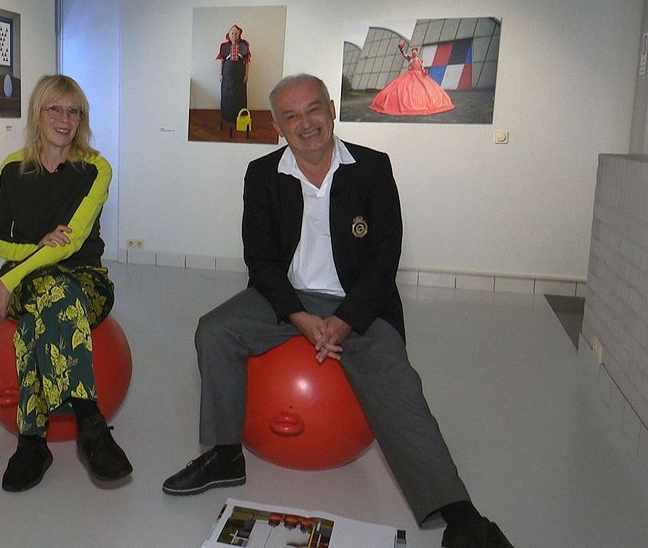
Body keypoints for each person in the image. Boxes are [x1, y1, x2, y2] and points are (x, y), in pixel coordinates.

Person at [162, 74, 513, 548]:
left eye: (313, 109)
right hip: (285, 299)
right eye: (292, 116)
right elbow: (261, 261)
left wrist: (346, 319)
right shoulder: (262, 175)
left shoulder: (372, 168)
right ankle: (226, 454)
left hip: (359, 305)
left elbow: (385, 256)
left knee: (399, 382)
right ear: (278, 127)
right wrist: (298, 317)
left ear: (331, 109)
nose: (306, 123)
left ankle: (460, 514)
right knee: (214, 331)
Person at [0, 74, 132, 492]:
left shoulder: (96, 168)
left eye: (74, 111)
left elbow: (72, 242)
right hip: (27, 279)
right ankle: (90, 424)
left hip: (83, 278)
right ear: (38, 112)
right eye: (56, 109)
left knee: (54, 298)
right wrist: (33, 246)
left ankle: (32, 442)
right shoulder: (12, 169)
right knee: (49, 299)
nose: (65, 119)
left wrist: (6, 282)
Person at [369, 40, 454, 116]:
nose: (414, 52)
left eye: (415, 51)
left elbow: (422, 68)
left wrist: (424, 72)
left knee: (423, 91)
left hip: (420, 76)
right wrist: (401, 48)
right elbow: (404, 54)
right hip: (410, 75)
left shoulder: (420, 60)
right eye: (413, 51)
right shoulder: (410, 58)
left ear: (417, 52)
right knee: (405, 89)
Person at [216, 24, 250, 125]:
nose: (234, 35)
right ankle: (227, 115)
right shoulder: (224, 47)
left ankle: (239, 115)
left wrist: (246, 75)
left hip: (240, 75)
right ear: (229, 35)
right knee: (227, 95)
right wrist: (220, 74)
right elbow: (221, 61)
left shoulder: (244, 46)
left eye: (236, 33)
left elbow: (247, 62)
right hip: (227, 75)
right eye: (232, 33)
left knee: (239, 95)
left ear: (239, 35)